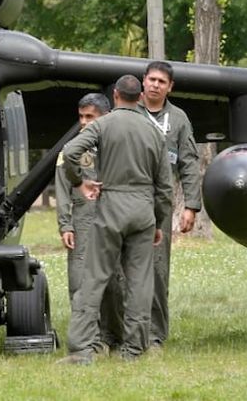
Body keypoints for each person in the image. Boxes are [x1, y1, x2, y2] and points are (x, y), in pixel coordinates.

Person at [59, 75, 172, 364]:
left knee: (94, 279)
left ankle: (82, 350)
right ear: (140, 97)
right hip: (144, 209)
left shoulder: (103, 124)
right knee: (139, 282)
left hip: (111, 207)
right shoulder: (154, 131)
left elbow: (71, 152)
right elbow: (165, 188)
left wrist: (80, 182)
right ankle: (134, 350)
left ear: (116, 95)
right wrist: (158, 222)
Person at [139, 60, 201, 350]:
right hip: (123, 201)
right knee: (120, 270)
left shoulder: (178, 119)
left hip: (159, 206)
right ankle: (122, 333)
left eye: (161, 82)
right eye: (151, 79)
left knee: (157, 270)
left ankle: (154, 336)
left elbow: (188, 162)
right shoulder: (127, 112)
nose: (155, 85)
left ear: (170, 87)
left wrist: (191, 205)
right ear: (143, 81)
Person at [54, 92, 122, 348]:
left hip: (113, 219)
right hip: (82, 222)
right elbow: (62, 189)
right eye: (81, 117)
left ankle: (114, 336)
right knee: (79, 281)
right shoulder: (70, 150)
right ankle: (88, 341)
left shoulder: (117, 147)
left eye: (90, 117)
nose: (84, 122)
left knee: (115, 282)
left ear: (105, 117)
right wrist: (65, 225)